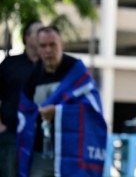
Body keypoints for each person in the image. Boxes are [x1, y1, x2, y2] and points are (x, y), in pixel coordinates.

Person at [18, 26, 107, 177]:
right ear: (38, 49)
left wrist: (58, 112)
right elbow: (25, 112)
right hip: (41, 153)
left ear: (62, 45)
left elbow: (92, 109)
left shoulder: (76, 71)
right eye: (43, 46)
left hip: (71, 155)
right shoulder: (33, 76)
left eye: (52, 45)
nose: (48, 50)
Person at [0, 21, 43, 177]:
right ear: (27, 37)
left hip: (39, 139)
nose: (41, 36)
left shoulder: (48, 67)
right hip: (10, 134)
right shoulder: (10, 64)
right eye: (37, 32)